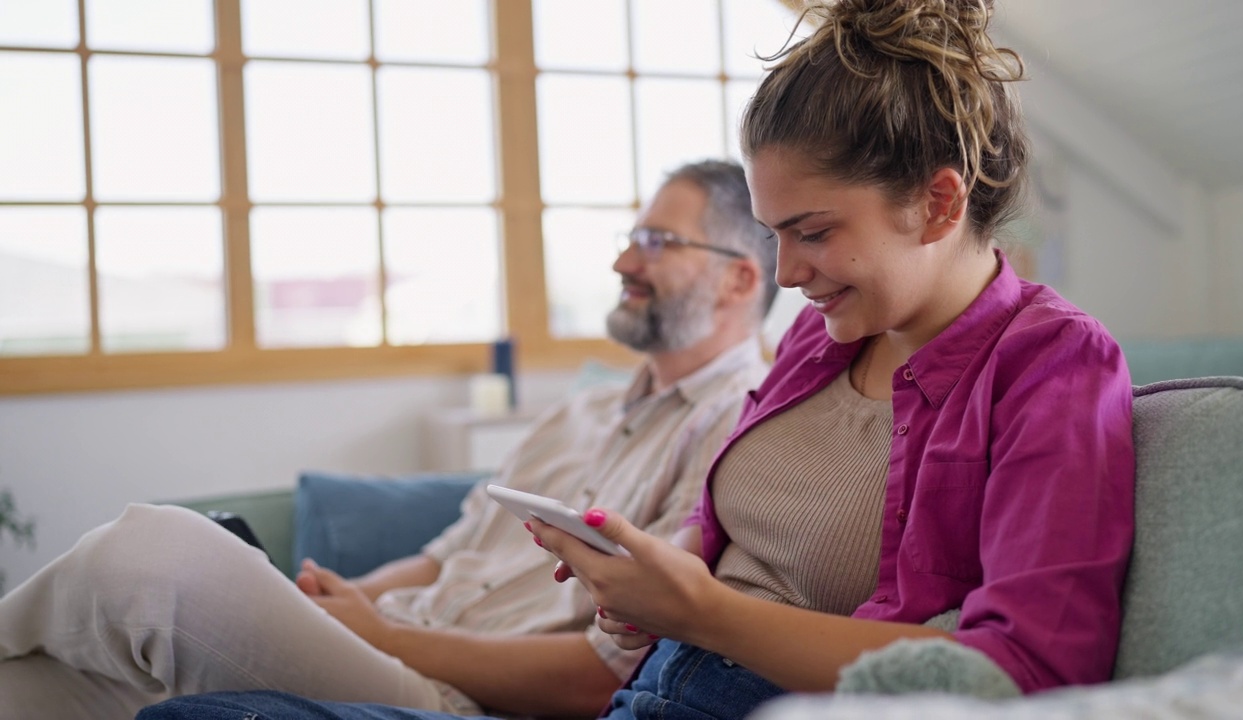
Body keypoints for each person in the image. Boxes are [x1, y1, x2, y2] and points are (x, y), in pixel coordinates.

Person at [139, 0, 1137, 718]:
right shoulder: (820, 344)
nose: (783, 272)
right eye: (770, 233)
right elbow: (706, 557)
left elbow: (1024, 668)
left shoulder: (1050, 368)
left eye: (812, 232)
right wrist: (635, 587)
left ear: (937, 202)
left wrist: (696, 609)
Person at [0, 159, 779, 720]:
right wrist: (340, 601)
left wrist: (383, 635)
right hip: (397, 638)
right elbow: (449, 552)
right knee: (34, 691)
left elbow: (594, 680)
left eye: (655, 242)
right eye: (630, 237)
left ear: (740, 279)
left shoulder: (734, 429)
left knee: (158, 553)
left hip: (452, 692)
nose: (621, 260)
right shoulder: (576, 414)